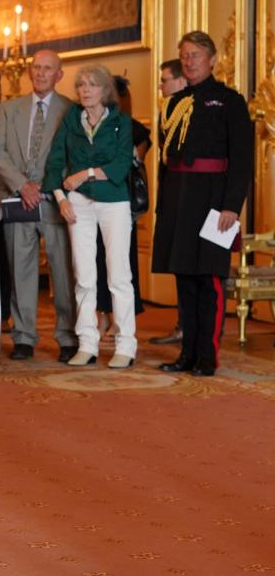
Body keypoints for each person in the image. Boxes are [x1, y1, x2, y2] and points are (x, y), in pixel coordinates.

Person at [153, 31, 252, 377]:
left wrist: (230, 206)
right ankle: (187, 354)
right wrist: (164, 205)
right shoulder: (174, 103)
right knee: (185, 279)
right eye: (185, 55)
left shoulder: (230, 101)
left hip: (213, 202)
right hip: (180, 198)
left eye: (196, 55)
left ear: (212, 60)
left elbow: (241, 160)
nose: (189, 61)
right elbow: (167, 161)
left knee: (209, 280)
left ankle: (207, 357)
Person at [44, 64, 136, 368]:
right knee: (83, 275)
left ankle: (125, 346)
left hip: (114, 203)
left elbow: (122, 166)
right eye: (80, 85)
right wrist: (61, 198)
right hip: (78, 204)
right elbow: (56, 160)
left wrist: (85, 174)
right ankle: (87, 343)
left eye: (91, 85)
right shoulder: (72, 119)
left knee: (118, 276)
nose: (84, 90)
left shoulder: (121, 122)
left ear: (105, 90)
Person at [0, 49, 78, 362]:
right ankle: (24, 337)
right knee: (21, 269)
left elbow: (75, 156)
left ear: (59, 75)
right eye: (36, 68)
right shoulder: (9, 109)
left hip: (56, 201)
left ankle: (67, 336)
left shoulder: (71, 110)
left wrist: (48, 185)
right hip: (17, 199)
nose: (40, 73)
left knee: (63, 271)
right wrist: (21, 185)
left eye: (48, 69)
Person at [94, 75, 151, 334]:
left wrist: (133, 158)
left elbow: (144, 142)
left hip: (121, 202)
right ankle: (103, 315)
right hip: (94, 199)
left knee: (122, 262)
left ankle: (121, 318)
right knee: (97, 261)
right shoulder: (92, 122)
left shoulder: (128, 125)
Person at [149, 59, 188, 346]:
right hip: (172, 197)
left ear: (181, 81)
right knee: (178, 265)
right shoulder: (167, 110)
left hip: (191, 198)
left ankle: (188, 326)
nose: (160, 85)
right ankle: (182, 324)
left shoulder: (189, 109)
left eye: (165, 80)